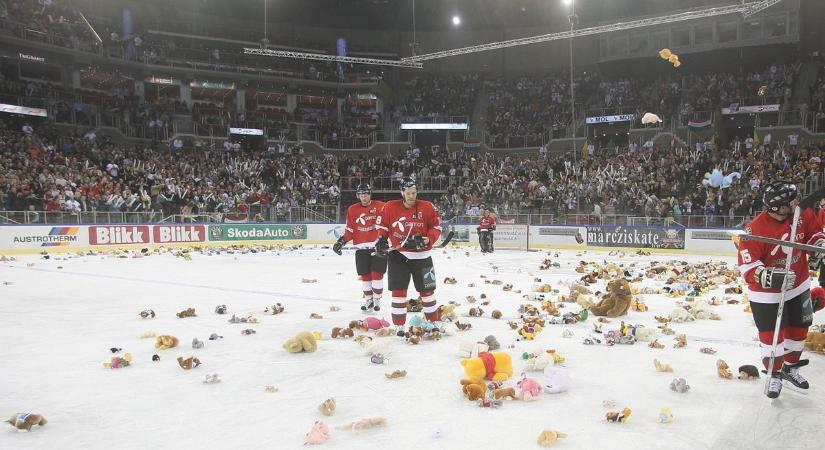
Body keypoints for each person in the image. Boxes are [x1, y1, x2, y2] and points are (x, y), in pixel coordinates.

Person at [737, 180, 824, 399]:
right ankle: (774, 373)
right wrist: (767, 276)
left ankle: (790, 368)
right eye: (790, 203)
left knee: (799, 330)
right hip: (766, 295)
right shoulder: (755, 228)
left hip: (800, 283)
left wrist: (819, 246)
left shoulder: (801, 213)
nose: (796, 204)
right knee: (771, 339)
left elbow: (814, 233)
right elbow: (747, 265)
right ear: (778, 207)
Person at [374, 177, 442, 336]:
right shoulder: (389, 207)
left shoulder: (427, 207)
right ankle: (399, 326)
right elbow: (383, 227)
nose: (412, 196)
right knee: (398, 293)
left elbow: (436, 227)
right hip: (399, 256)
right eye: (408, 193)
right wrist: (381, 239)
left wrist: (429, 239)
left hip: (423, 257)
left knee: (427, 292)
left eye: (414, 192)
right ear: (402, 193)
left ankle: (432, 322)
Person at [332, 184, 386, 312]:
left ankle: (377, 299)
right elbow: (350, 231)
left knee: (376, 275)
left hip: (378, 247)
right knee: (365, 276)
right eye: (362, 195)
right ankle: (369, 301)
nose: (364, 197)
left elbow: (389, 222)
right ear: (358, 196)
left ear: (370, 194)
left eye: (366, 194)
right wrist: (341, 242)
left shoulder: (381, 206)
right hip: (361, 248)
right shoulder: (352, 209)